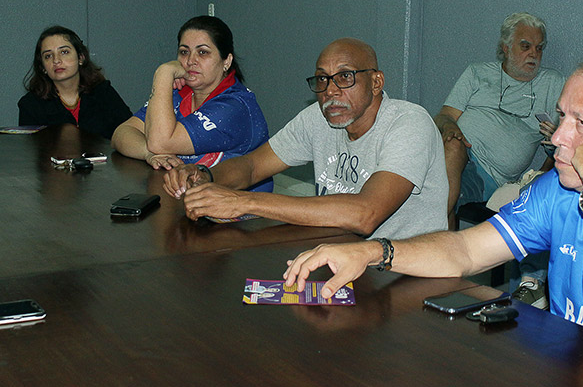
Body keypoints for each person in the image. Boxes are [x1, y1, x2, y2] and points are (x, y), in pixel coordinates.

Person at [284, 56, 583, 387]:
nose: (559, 139)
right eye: (561, 117)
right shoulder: (561, 187)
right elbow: (466, 251)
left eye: (582, 124)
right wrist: (374, 251)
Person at [162, 38, 448, 240]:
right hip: (339, 253)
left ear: (376, 82)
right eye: (322, 79)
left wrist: (243, 203)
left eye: (345, 77)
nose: (331, 91)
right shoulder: (319, 116)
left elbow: (366, 214)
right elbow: (252, 166)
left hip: (405, 270)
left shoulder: (409, 123)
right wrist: (204, 176)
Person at [435, 12, 565, 307]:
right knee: (450, 152)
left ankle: (441, 257)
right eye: (525, 46)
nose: (534, 54)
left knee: (439, 183)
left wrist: (554, 137)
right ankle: (442, 256)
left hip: (487, 175)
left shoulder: (552, 82)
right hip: (457, 154)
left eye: (539, 48)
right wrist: (452, 129)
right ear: (505, 48)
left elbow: (566, 143)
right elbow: (444, 116)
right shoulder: (477, 73)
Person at [112, 16, 272, 192]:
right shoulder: (179, 93)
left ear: (226, 61)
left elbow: (160, 142)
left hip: (236, 215)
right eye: (184, 52)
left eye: (203, 52)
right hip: (188, 200)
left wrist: (163, 73)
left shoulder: (235, 106)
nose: (190, 61)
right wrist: (148, 153)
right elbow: (122, 133)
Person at [18, 26, 131, 139]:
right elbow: (31, 151)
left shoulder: (103, 92)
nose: (56, 60)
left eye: (64, 52)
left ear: (81, 58)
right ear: (42, 67)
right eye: (48, 56)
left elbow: (129, 132)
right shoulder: (30, 105)